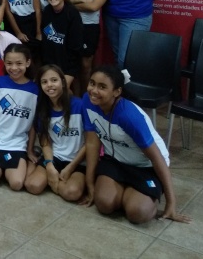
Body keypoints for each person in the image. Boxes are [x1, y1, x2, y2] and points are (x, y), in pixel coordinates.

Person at [81, 65, 190, 224]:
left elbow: (157, 158)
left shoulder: (129, 116)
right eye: (92, 83)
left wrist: (171, 203)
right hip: (116, 160)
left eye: (102, 87)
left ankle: (136, 194)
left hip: (145, 166)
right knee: (104, 204)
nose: (94, 90)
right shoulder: (87, 100)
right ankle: (125, 192)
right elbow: (92, 142)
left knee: (137, 213)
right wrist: (90, 184)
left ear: (117, 92)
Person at [0, 44, 38, 190]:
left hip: (17, 144)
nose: (14, 68)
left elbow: (33, 124)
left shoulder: (35, 90)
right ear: (4, 63)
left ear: (28, 63)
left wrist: (30, 150)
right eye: (9, 63)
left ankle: (9, 167)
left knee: (16, 184)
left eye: (19, 63)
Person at [24, 65, 86, 201]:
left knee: (72, 193)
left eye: (54, 80)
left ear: (63, 82)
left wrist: (70, 168)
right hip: (56, 156)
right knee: (32, 185)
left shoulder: (80, 105)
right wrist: (50, 165)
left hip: (78, 161)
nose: (49, 85)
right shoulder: (42, 109)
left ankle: (58, 183)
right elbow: (45, 141)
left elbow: (90, 143)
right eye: (44, 82)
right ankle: (53, 178)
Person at [68, 0, 109, 94]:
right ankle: (77, 97)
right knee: (73, 65)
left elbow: (94, 7)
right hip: (71, 27)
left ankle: (87, 96)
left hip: (89, 28)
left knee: (85, 66)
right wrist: (84, 1)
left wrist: (72, 3)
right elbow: (64, 0)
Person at [40, 0, 84, 89]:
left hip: (68, 64)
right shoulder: (47, 11)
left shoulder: (72, 14)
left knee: (62, 89)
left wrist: (69, 71)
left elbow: (75, 46)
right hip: (50, 62)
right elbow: (46, 41)